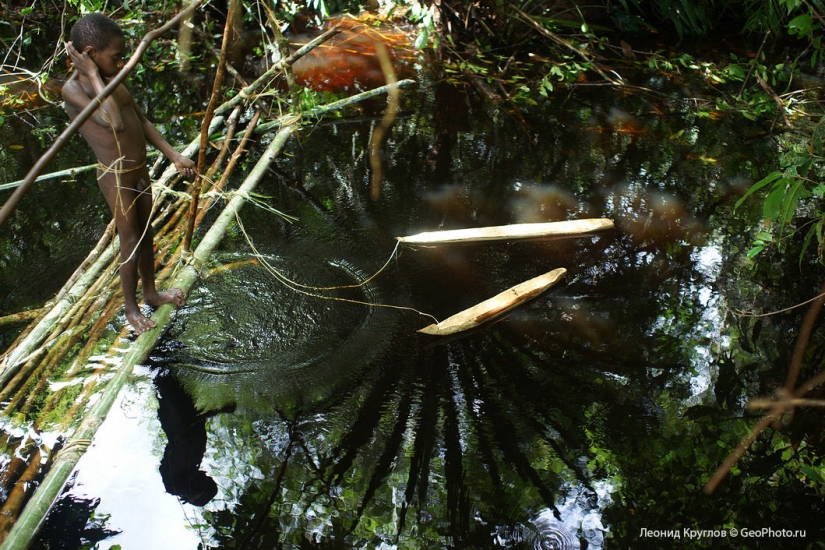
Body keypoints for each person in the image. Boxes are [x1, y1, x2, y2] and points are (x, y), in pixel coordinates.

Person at [63, 13, 195, 334]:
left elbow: (141, 120)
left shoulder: (114, 80)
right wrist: (94, 76)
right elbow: (114, 122)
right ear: (91, 55)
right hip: (116, 176)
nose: (122, 62)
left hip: (139, 171)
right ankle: (131, 309)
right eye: (116, 57)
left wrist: (174, 155)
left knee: (146, 232)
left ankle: (150, 293)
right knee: (130, 241)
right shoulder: (74, 90)